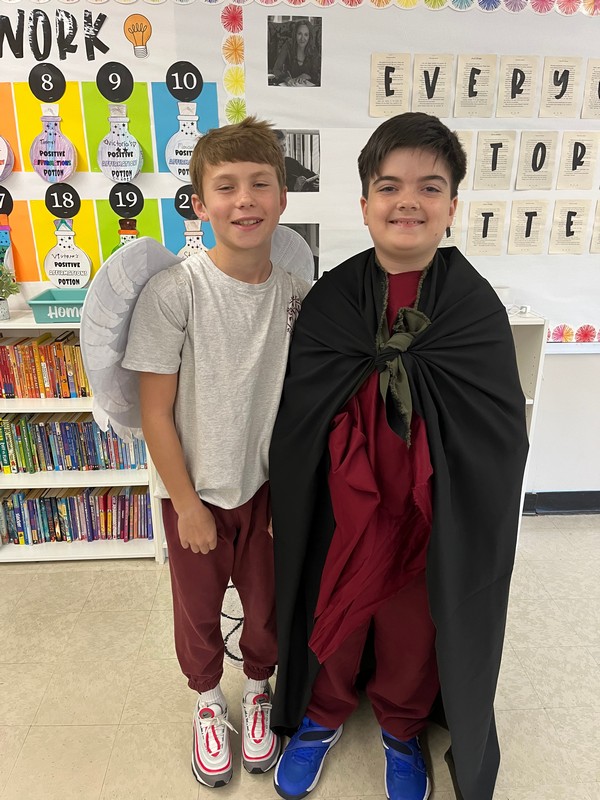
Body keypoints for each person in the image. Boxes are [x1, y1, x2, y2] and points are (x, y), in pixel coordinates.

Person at [269, 112, 529, 800]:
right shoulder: (331, 299)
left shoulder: (473, 308)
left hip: (427, 511)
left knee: (413, 623)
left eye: (429, 187)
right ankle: (324, 712)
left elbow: (499, 429)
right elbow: (300, 410)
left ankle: (402, 724)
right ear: (364, 204)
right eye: (389, 186)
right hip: (345, 504)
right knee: (338, 607)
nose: (408, 202)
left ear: (452, 206)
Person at [121, 117, 311, 789]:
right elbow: (154, 411)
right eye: (226, 187)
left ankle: (258, 688)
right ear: (200, 204)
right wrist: (187, 505)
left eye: (260, 184)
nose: (245, 200)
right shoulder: (174, 293)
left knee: (266, 605)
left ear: (282, 198)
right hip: (193, 490)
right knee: (198, 610)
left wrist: (291, 497)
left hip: (266, 492)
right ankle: (208, 699)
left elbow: (304, 404)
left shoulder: (296, 296)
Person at [272, 19, 321, 87]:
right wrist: (287, 79)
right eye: (299, 34)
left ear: (309, 37)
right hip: (289, 86)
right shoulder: (288, 45)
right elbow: (276, 69)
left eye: (306, 35)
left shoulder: (313, 50)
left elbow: (318, 75)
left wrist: (307, 76)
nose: (302, 38)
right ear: (295, 34)